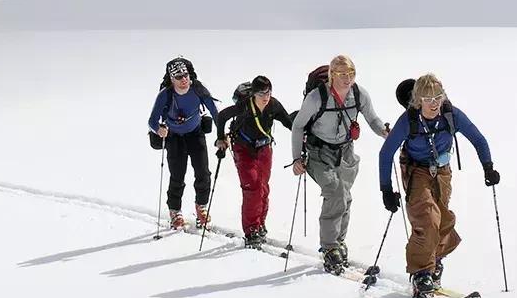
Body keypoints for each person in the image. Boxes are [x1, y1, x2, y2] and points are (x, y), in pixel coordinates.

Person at [379, 73, 499, 298]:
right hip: (417, 171)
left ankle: (433, 261)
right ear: (418, 100)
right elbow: (386, 154)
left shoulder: (451, 115)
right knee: (427, 218)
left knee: (444, 220)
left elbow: (478, 139)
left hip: (442, 172)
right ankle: (421, 272)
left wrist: (488, 167)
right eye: (427, 98)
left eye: (438, 97)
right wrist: (386, 190)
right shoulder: (408, 120)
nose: (434, 103)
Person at [291, 54, 389, 273]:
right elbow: (298, 127)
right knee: (335, 192)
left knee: (344, 196)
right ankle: (329, 247)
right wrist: (297, 158)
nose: (348, 79)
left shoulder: (359, 93)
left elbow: (372, 119)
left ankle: (339, 242)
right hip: (318, 152)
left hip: (345, 152)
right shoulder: (317, 98)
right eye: (342, 74)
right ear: (331, 75)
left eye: (351, 74)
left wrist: (384, 132)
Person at [215, 75, 296, 246]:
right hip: (243, 148)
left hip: (264, 149)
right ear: (253, 94)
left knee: (263, 187)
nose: (266, 97)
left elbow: (288, 122)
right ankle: (251, 230)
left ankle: (260, 224)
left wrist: (302, 135)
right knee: (252, 186)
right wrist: (221, 138)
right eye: (261, 94)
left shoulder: (273, 105)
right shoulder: (244, 106)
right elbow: (221, 116)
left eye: (268, 92)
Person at [148, 56, 221, 231]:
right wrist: (159, 129)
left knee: (203, 173)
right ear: (172, 79)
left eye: (186, 75)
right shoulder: (165, 94)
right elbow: (152, 120)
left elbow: (215, 112)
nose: (184, 80)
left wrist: (221, 135)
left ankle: (201, 207)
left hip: (196, 135)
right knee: (177, 176)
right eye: (179, 77)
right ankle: (175, 212)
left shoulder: (198, 89)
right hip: (174, 138)